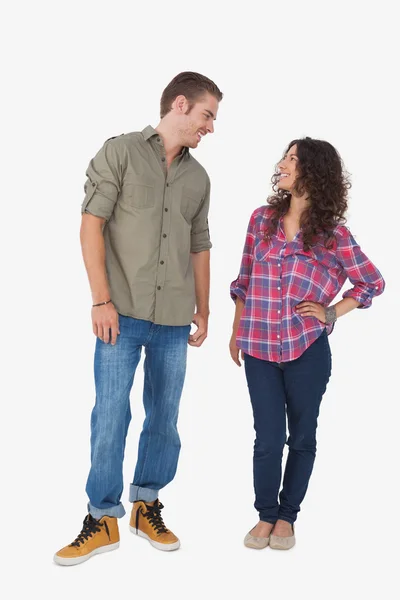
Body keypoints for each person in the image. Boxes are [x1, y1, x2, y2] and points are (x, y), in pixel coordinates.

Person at [54, 72, 223, 566]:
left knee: (165, 418)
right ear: (180, 104)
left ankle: (145, 503)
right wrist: (99, 300)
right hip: (120, 313)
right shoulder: (121, 152)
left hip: (173, 318)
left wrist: (205, 309)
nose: (211, 127)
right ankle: (102, 517)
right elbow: (91, 225)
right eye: (208, 115)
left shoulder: (199, 178)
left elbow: (200, 244)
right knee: (111, 415)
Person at [229, 137, 384, 551]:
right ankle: (264, 514)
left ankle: (287, 517)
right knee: (267, 436)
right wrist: (235, 330)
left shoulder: (334, 236)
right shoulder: (261, 220)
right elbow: (244, 280)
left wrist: (332, 312)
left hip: (307, 352)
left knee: (301, 437)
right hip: (259, 347)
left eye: (291, 158)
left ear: (311, 171)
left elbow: (372, 282)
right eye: (284, 156)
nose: (281, 163)